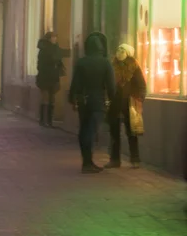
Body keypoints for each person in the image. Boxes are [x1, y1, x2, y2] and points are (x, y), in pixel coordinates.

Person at [68, 32, 115, 174]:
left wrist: (72, 98)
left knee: (84, 130)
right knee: (91, 131)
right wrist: (112, 100)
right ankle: (88, 163)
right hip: (97, 101)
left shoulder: (81, 62)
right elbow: (111, 85)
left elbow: (75, 82)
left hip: (83, 100)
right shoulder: (105, 62)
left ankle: (87, 162)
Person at [105, 44, 146, 169]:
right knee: (114, 133)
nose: (119, 52)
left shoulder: (134, 66)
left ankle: (135, 159)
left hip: (130, 104)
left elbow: (141, 85)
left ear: (128, 53)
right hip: (115, 103)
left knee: (132, 132)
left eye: (122, 50)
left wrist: (138, 99)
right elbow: (107, 84)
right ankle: (115, 160)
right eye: (118, 49)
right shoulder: (112, 66)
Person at [36, 32, 65, 127]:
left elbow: (60, 59)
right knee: (45, 99)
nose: (55, 39)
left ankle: (49, 120)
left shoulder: (55, 49)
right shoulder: (44, 50)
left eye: (56, 37)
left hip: (53, 77)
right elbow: (41, 65)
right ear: (49, 38)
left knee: (52, 99)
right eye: (53, 37)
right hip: (45, 77)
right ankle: (43, 120)